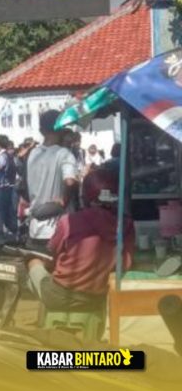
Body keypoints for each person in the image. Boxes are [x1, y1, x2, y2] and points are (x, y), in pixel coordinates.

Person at [26, 169, 134, 310]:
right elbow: (126, 263)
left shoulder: (69, 221)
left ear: (86, 196)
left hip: (60, 295)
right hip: (99, 296)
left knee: (33, 262)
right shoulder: (126, 224)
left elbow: (52, 253)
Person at [26, 110, 78, 248]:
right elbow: (70, 181)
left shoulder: (33, 153)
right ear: (62, 129)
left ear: (41, 131)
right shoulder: (64, 154)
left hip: (35, 226)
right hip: (56, 227)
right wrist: (64, 199)